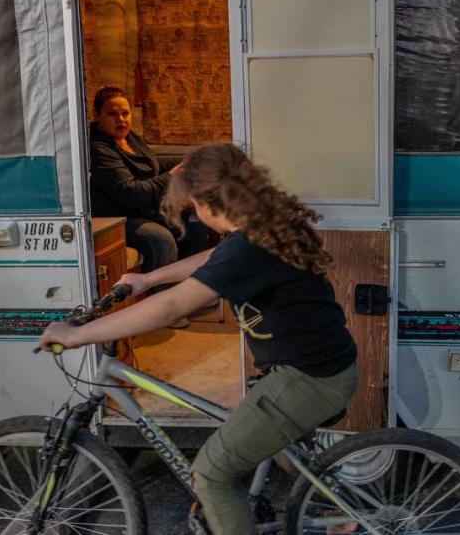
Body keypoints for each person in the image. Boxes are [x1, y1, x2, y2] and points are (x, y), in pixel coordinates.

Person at [39, 143, 359, 535]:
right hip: (318, 365)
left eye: (192, 206)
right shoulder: (261, 225)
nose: (196, 215)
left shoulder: (251, 245)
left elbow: (172, 307)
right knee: (270, 442)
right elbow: (213, 261)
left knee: (212, 473)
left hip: (309, 378)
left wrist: (79, 334)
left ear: (210, 202)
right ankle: (340, 512)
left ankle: (334, 513)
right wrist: (149, 279)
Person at [89, 86, 178, 273]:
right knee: (160, 239)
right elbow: (132, 194)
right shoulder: (98, 148)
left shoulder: (130, 137)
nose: (121, 120)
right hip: (119, 218)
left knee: (194, 223)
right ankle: (161, 295)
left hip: (146, 210)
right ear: (96, 115)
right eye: (112, 114)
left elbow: (152, 164)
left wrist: (188, 160)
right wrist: (172, 176)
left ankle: (193, 288)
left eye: (125, 113)